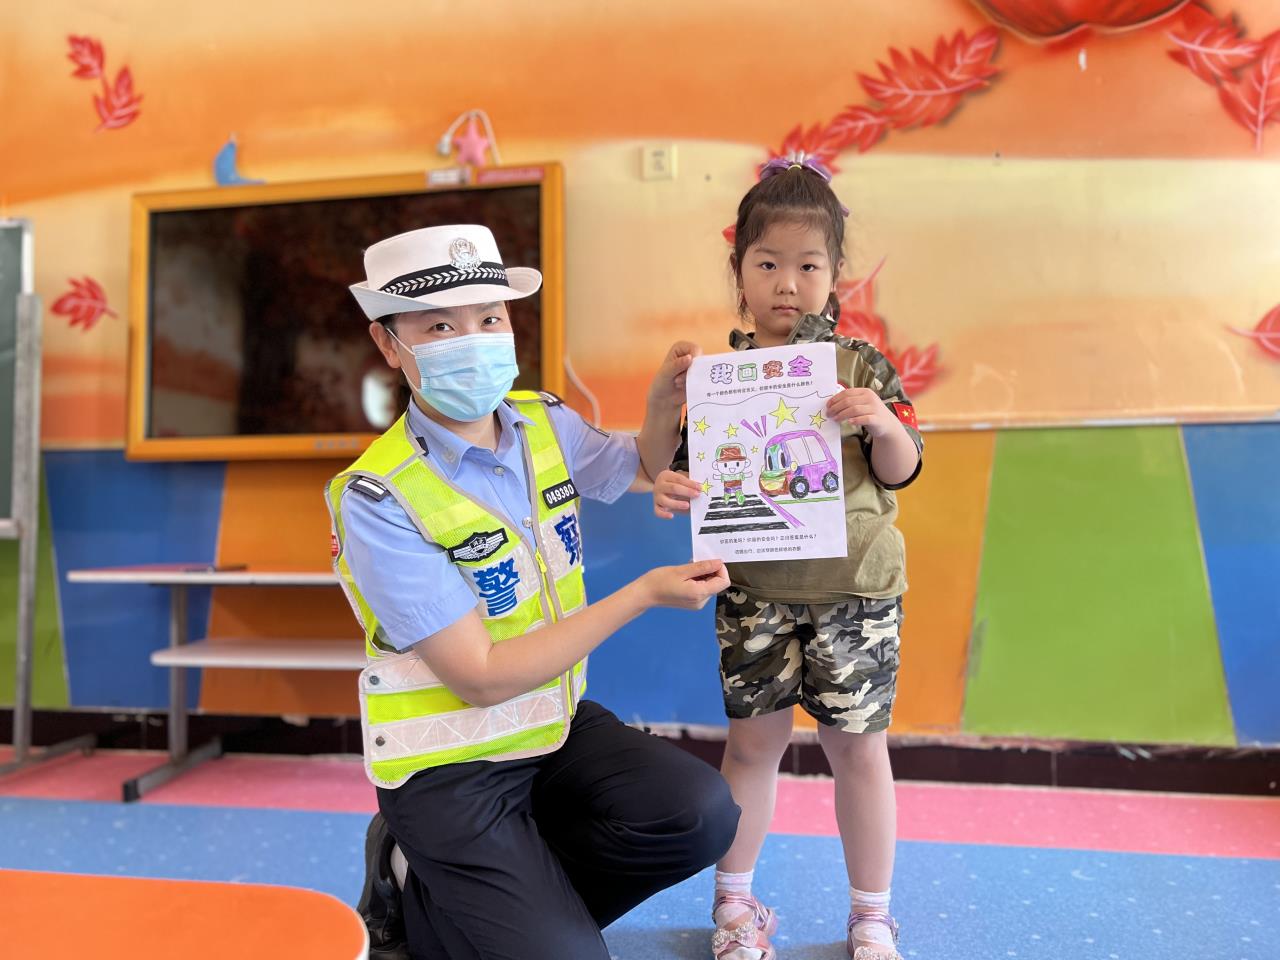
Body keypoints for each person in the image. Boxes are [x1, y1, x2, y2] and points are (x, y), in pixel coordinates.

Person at [327, 224, 740, 960]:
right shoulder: (377, 496)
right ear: (389, 344)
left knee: (700, 812)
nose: (474, 339)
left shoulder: (542, 423)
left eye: (490, 318)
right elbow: (480, 677)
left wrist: (660, 404)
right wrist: (641, 594)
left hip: (550, 727)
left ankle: (497, 906)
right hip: (449, 764)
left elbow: (642, 467)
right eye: (440, 326)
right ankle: (417, 882)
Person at [652, 156, 924, 960]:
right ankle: (735, 909)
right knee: (750, 748)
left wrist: (880, 421)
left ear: (834, 275)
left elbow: (902, 468)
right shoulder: (718, 378)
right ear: (739, 272)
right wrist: (669, 474)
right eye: (768, 264)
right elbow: (674, 469)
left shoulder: (861, 365)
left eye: (808, 266)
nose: (787, 283)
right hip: (754, 592)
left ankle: (871, 917)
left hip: (857, 592)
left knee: (858, 751)